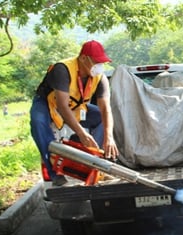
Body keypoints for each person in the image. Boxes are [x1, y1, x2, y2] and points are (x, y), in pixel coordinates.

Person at [30, 40, 119, 186]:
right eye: (96, 62)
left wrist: (109, 137)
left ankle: (96, 166)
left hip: (76, 106)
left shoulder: (100, 77)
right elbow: (62, 106)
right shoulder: (62, 69)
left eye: (102, 62)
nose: (99, 66)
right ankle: (56, 175)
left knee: (100, 118)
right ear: (83, 58)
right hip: (48, 103)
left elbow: (105, 109)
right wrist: (83, 134)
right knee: (38, 122)